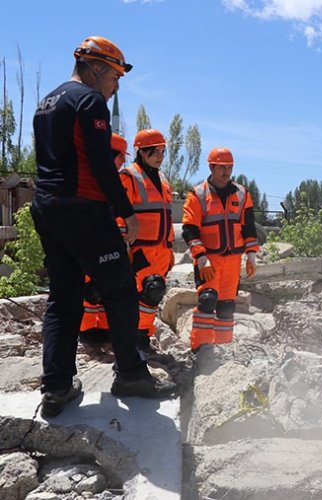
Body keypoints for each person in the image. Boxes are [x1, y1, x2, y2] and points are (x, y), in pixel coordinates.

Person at [32, 35, 176, 418]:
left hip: (48, 208)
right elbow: (100, 164)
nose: (116, 86)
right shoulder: (88, 100)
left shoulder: (46, 103)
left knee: (63, 299)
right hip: (84, 210)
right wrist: (126, 212)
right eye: (115, 75)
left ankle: (57, 386)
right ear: (96, 68)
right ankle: (130, 374)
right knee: (121, 290)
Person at [80, 129, 175, 354]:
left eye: (163, 151)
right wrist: (124, 245)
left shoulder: (163, 180)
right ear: (142, 152)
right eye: (155, 151)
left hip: (161, 250)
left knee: (152, 296)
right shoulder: (129, 177)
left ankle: (142, 333)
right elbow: (119, 213)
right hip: (139, 248)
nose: (160, 155)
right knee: (142, 290)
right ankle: (96, 330)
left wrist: (170, 250)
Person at [181, 147, 260, 351]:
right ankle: (200, 349)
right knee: (207, 301)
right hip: (209, 260)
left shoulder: (242, 194)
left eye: (230, 167)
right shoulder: (198, 194)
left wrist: (251, 256)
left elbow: (249, 226)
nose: (227, 172)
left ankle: (223, 348)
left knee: (226, 307)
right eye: (222, 168)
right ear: (211, 167)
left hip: (233, 261)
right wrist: (200, 258)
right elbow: (189, 229)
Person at [79, 133, 130, 336]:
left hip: (109, 246)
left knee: (107, 289)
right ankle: (87, 329)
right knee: (91, 290)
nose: (123, 162)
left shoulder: (114, 182)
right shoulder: (89, 181)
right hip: (89, 245)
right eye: (120, 157)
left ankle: (104, 329)